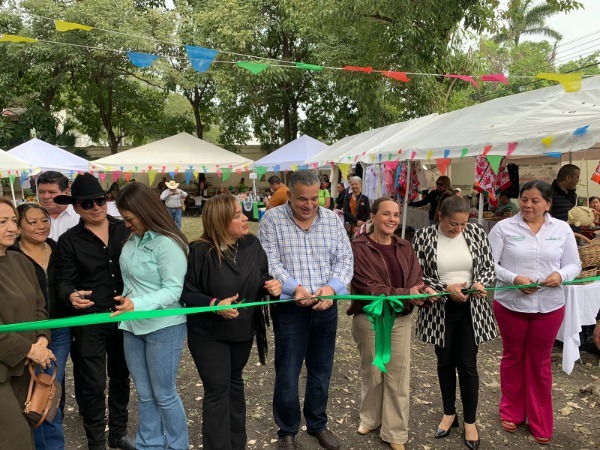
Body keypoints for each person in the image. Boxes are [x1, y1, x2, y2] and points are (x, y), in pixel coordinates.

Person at [259, 170, 354, 450]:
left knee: (321, 369)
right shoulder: (272, 220)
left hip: (325, 307)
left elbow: (345, 258)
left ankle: (317, 423)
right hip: (290, 309)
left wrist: (332, 289)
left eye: (314, 198)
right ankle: (287, 430)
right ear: (289, 194)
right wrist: (294, 288)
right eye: (302, 198)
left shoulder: (332, 220)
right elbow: (269, 260)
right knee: (288, 371)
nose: (309, 205)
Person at [182, 194, 281, 450]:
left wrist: (270, 285)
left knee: (235, 383)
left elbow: (261, 275)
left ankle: (237, 444)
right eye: (237, 215)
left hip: (242, 330)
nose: (245, 218)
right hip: (208, 334)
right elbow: (187, 293)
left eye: (242, 213)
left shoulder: (252, 244)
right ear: (220, 220)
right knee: (217, 390)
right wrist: (215, 304)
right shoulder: (199, 251)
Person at [488, 180, 581, 445]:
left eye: (535, 200)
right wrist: (514, 279)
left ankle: (540, 420)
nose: (527, 205)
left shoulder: (561, 229)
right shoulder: (504, 228)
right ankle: (511, 411)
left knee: (540, 364)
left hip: (549, 306)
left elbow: (574, 264)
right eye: (524, 199)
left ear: (548, 204)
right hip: (511, 305)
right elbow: (489, 263)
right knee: (513, 357)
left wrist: (560, 275)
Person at [54, 173, 134, 450]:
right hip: (90, 319)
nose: (96, 207)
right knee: (93, 383)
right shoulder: (68, 240)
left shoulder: (126, 229)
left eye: (99, 200)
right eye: (87, 204)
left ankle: (119, 434)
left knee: (121, 376)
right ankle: (96, 441)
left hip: (124, 315)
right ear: (76, 207)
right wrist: (70, 295)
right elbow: (63, 280)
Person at [350, 196, 437, 450]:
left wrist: (423, 292)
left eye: (396, 215)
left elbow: (416, 279)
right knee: (373, 372)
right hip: (370, 318)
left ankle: (395, 433)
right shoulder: (358, 247)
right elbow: (368, 286)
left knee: (398, 376)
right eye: (386, 214)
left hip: (399, 320)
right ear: (373, 217)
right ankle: (370, 418)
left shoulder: (405, 246)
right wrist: (406, 293)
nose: (392, 219)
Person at [412, 195, 497, 450]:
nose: (459, 229)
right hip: (440, 307)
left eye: (463, 224)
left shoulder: (477, 233)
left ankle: (470, 420)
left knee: (468, 365)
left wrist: (479, 283)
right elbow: (419, 274)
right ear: (440, 216)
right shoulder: (424, 237)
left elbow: (489, 267)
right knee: (445, 361)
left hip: (472, 306)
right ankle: (449, 412)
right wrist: (445, 288)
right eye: (453, 224)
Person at [111, 182, 190, 450]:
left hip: (163, 326)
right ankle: (149, 445)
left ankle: (178, 446)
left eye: (130, 219)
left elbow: (173, 290)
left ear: (145, 212)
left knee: (164, 394)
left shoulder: (167, 244)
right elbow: (131, 281)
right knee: (144, 394)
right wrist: (128, 302)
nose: (126, 225)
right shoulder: (133, 240)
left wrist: (136, 303)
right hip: (132, 326)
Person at [10, 204, 70, 450]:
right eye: (32, 222)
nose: (40, 226)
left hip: (57, 332)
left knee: (46, 389)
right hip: (22, 335)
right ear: (19, 227)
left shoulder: (59, 249)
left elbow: (66, 283)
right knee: (26, 394)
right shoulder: (12, 255)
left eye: (44, 220)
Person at [0, 197, 55, 450]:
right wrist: (30, 349)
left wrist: (42, 338)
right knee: (16, 438)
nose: (12, 228)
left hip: (25, 369)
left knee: (28, 432)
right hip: (6, 367)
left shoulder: (20, 261)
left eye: (13, 220)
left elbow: (39, 307)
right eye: (2, 222)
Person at [37, 171, 81, 241]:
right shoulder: (31, 217)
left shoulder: (80, 216)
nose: (46, 196)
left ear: (66, 192)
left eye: (52, 192)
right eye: (41, 192)